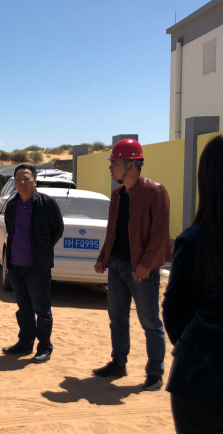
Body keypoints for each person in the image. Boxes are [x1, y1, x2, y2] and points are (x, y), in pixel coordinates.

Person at [162, 135, 223, 434]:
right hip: (201, 386)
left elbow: (174, 313)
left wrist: (195, 346)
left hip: (200, 386)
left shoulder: (196, 241)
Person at [93, 139, 172, 390]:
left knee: (150, 322)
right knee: (117, 318)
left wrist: (146, 264)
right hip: (117, 266)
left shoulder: (155, 191)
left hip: (141, 270)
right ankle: (118, 362)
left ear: (131, 164)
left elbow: (160, 234)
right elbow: (112, 230)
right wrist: (103, 257)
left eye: (114, 162)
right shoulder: (117, 194)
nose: (111, 167)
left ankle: (155, 372)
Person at [1, 164, 64, 363]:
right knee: (23, 308)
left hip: (38, 267)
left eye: (26, 178)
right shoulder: (12, 204)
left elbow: (58, 229)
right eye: (18, 179)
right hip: (15, 266)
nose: (22, 182)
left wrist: (42, 248)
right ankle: (25, 342)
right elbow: (11, 229)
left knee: (42, 310)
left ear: (35, 181)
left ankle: (44, 347)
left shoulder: (46, 204)